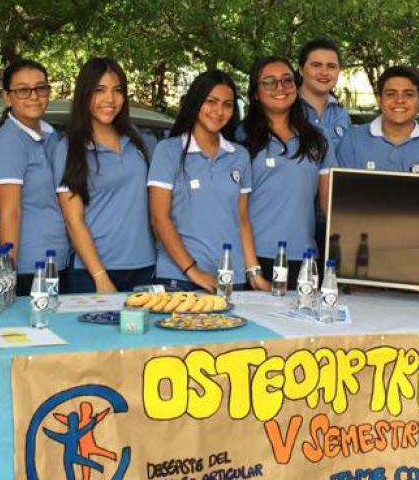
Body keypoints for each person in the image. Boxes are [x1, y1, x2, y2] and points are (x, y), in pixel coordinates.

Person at [147, 70, 267, 291]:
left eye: (228, 105)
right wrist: (193, 271)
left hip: (231, 278)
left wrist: (253, 272)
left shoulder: (239, 155)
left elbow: (241, 220)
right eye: (211, 102)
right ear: (195, 102)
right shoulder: (169, 151)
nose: (219, 111)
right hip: (180, 278)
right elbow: (159, 219)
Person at [52, 58, 155, 293]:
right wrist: (100, 277)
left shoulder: (137, 141)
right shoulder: (70, 148)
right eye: (100, 90)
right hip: (94, 272)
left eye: (117, 91)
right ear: (85, 95)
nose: (110, 99)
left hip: (145, 267)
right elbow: (73, 219)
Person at [239, 56, 333, 284]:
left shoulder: (318, 138)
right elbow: (236, 211)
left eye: (287, 80)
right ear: (255, 93)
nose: (280, 87)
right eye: (269, 82)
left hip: (306, 257)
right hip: (256, 257)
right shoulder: (240, 138)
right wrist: (252, 268)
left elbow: (328, 204)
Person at [0, 59, 70, 295]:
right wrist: (7, 275)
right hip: (27, 267)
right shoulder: (9, 142)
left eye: (41, 88)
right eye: (23, 90)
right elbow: (9, 212)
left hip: (57, 260)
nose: (34, 96)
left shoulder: (51, 136)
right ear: (7, 97)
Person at [335, 66, 419, 175]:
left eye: (409, 94)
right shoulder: (352, 140)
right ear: (379, 99)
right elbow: (340, 195)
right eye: (391, 94)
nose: (399, 100)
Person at [297, 39, 351, 254]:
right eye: (316, 65)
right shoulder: (287, 111)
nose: (324, 72)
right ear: (301, 69)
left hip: (335, 220)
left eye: (331, 66)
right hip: (298, 222)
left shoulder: (342, 115)